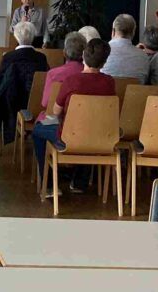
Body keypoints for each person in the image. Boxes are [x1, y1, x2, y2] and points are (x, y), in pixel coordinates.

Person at [33, 38, 115, 196]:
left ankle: (49, 185)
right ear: (104, 62)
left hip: (68, 136)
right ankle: (79, 182)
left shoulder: (72, 81)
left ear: (83, 56)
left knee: (38, 131)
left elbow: (56, 111)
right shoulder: (109, 82)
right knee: (90, 128)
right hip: (99, 137)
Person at [0, 22, 49, 144]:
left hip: (10, 99)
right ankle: (29, 130)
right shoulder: (41, 58)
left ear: (16, 36)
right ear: (33, 36)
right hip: (35, 100)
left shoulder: (9, 57)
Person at [38, 32, 86, 120]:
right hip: (83, 121)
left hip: (55, 121)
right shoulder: (91, 76)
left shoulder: (53, 74)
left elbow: (45, 103)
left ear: (64, 53)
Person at [100, 14, 149, 83]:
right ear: (133, 33)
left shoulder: (100, 52)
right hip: (134, 90)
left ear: (113, 31)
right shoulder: (143, 57)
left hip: (107, 89)